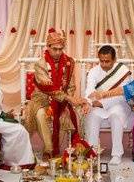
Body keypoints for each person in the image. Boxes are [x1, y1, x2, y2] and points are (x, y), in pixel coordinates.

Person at [23, 29, 88, 159]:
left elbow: (71, 85)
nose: (58, 52)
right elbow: (48, 87)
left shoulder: (68, 62)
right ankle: (49, 150)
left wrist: (68, 99)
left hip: (62, 100)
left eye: (60, 49)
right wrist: (69, 98)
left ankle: (72, 150)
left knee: (71, 114)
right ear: (48, 47)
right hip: (41, 100)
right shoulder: (40, 64)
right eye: (55, 49)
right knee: (41, 114)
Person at [84, 45, 134, 165]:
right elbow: (89, 91)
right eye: (101, 61)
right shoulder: (93, 71)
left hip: (119, 104)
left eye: (107, 61)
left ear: (114, 59)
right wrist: (88, 102)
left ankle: (117, 154)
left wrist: (101, 102)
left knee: (115, 116)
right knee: (93, 116)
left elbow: (123, 94)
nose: (104, 64)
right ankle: (93, 153)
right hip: (98, 105)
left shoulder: (123, 71)